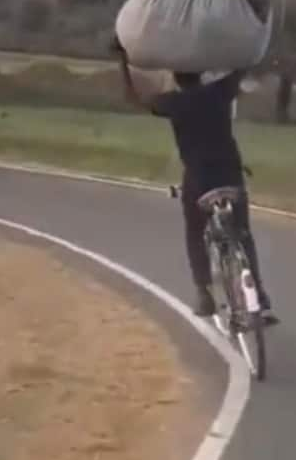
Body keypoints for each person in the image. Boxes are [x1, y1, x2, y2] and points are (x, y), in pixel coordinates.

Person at [111, 39, 276, 325]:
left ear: (176, 77)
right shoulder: (220, 92)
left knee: (195, 232)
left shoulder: (173, 103)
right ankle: (258, 293)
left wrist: (122, 60)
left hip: (199, 180)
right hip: (230, 174)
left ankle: (203, 293)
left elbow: (133, 98)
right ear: (202, 74)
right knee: (243, 233)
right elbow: (244, 65)